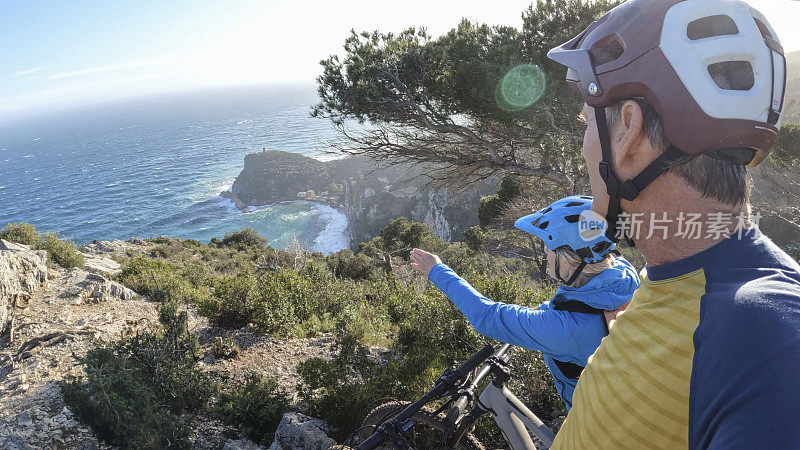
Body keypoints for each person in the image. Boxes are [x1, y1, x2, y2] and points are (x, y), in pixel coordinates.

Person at [545, 0, 800, 448]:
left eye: (586, 122)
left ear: (627, 130)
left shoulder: (765, 338)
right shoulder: (683, 277)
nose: (584, 144)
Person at [409, 195, 639, 410]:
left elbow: (488, 316)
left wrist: (436, 270)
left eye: (549, 247)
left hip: (592, 424)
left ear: (568, 259)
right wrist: (545, 313)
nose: (546, 253)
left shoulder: (568, 329)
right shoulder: (624, 273)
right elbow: (580, 306)